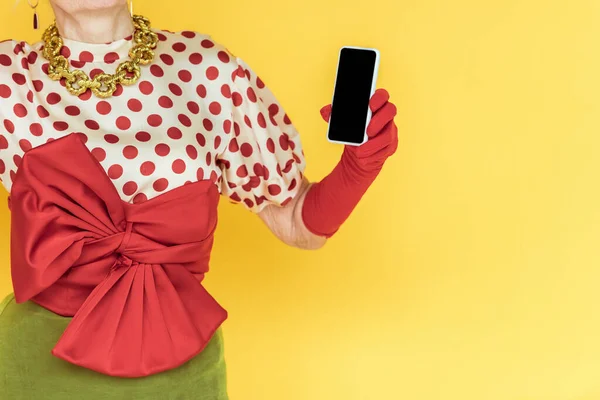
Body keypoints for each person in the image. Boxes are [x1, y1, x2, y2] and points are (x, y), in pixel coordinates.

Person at [0, 0, 398, 398]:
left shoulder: (207, 70)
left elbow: (296, 222)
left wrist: (358, 168)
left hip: (182, 373)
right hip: (38, 366)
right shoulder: (7, 77)